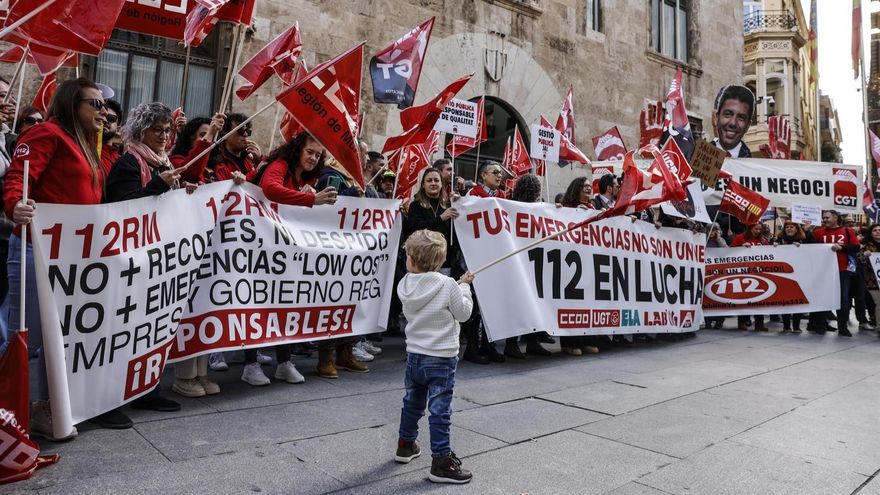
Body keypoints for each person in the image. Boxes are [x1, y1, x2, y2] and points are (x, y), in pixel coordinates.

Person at [1, 78, 106, 441]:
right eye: (95, 104)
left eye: (103, 105)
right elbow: (19, 178)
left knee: (56, 337)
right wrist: (16, 205)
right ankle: (8, 412)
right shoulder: (46, 133)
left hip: (70, 257)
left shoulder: (85, 144)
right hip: (37, 250)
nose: (103, 111)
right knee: (23, 336)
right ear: (71, 105)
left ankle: (43, 410)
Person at [256, 132, 351, 381]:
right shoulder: (280, 165)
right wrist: (310, 199)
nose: (313, 158)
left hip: (284, 250)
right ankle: (250, 364)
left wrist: (306, 195)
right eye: (309, 152)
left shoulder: (305, 177)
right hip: (260, 247)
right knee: (256, 302)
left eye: (318, 155)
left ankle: (284, 362)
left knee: (284, 304)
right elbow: (270, 189)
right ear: (297, 149)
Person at [394, 229, 474, 485]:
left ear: (411, 260)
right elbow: (463, 313)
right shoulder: (448, 284)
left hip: (415, 356)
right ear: (440, 261)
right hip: (441, 358)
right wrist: (464, 287)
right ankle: (440, 461)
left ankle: (406, 445)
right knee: (440, 410)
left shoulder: (405, 284)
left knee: (412, 402)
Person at [504, 174, 552, 358]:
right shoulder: (511, 206)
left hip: (532, 260)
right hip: (522, 261)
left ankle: (530, 341)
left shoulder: (540, 207)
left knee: (532, 302)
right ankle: (513, 343)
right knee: (520, 302)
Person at [809, 210, 860, 337]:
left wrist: (842, 248)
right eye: (823, 218)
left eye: (827, 217)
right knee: (822, 298)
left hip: (842, 271)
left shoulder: (847, 231)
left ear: (836, 218)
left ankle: (843, 328)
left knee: (843, 300)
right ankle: (820, 326)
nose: (824, 220)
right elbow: (808, 247)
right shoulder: (817, 232)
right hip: (823, 271)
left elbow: (856, 247)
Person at [731, 224, 769, 331]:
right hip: (744, 271)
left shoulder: (763, 240)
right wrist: (741, 247)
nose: (758, 231)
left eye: (760, 229)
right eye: (756, 229)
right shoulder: (740, 237)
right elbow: (731, 251)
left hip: (759, 272)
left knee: (760, 298)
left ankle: (759, 323)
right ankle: (742, 321)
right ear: (750, 229)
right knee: (744, 297)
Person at [169, 113, 225, 184]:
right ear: (190, 137)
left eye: (211, 136)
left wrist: (236, 179)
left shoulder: (220, 165)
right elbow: (192, 174)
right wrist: (210, 133)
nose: (209, 139)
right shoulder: (175, 161)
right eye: (203, 135)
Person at [207, 113, 261, 182]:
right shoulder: (217, 160)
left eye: (248, 131)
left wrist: (259, 161)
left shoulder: (250, 158)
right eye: (240, 131)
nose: (246, 134)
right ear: (225, 135)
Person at [776, 221, 806, 333]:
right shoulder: (779, 240)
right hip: (784, 274)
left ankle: (796, 326)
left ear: (797, 229)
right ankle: (786, 326)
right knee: (785, 301)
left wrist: (802, 248)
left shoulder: (803, 240)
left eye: (791, 227)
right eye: (787, 227)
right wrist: (774, 246)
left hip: (799, 273)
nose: (789, 229)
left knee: (798, 300)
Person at [712, 84, 755, 157]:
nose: (733, 123)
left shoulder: (753, 163)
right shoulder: (695, 157)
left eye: (741, 118)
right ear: (717, 117)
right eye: (728, 114)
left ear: (748, 126)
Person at [704, 223, 727, 329]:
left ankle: (719, 320)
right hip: (707, 271)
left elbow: (726, 250)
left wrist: (718, 239)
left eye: (715, 230)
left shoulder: (721, 240)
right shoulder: (704, 239)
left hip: (718, 271)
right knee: (706, 295)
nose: (712, 232)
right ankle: (707, 320)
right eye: (711, 230)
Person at [860, 224, 880, 331]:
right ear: (871, 233)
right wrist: (865, 256)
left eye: (879, 230)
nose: (877, 232)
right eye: (875, 230)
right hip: (872, 281)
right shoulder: (865, 246)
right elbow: (860, 261)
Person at [98, 99, 123, 177]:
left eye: (111, 118)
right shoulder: (82, 150)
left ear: (118, 129)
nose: (105, 120)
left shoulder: (122, 160)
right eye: (102, 116)